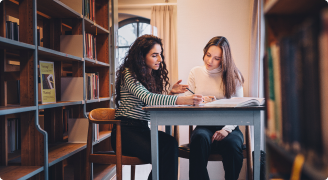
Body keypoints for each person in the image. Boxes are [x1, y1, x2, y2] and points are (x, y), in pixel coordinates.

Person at [112, 34, 203, 180]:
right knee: (164, 152)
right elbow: (148, 98)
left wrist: (171, 93)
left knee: (171, 144)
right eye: (155, 55)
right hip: (125, 132)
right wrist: (183, 100)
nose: (160, 59)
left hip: (142, 129)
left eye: (160, 55)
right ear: (141, 56)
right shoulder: (128, 74)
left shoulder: (149, 77)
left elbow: (152, 102)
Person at [185, 36, 245, 180]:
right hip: (204, 125)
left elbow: (239, 108)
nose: (210, 61)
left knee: (233, 145)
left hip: (229, 127)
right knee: (199, 138)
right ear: (204, 52)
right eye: (208, 55)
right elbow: (187, 101)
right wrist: (196, 100)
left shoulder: (234, 75)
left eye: (216, 58)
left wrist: (226, 130)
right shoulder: (195, 72)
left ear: (224, 59)